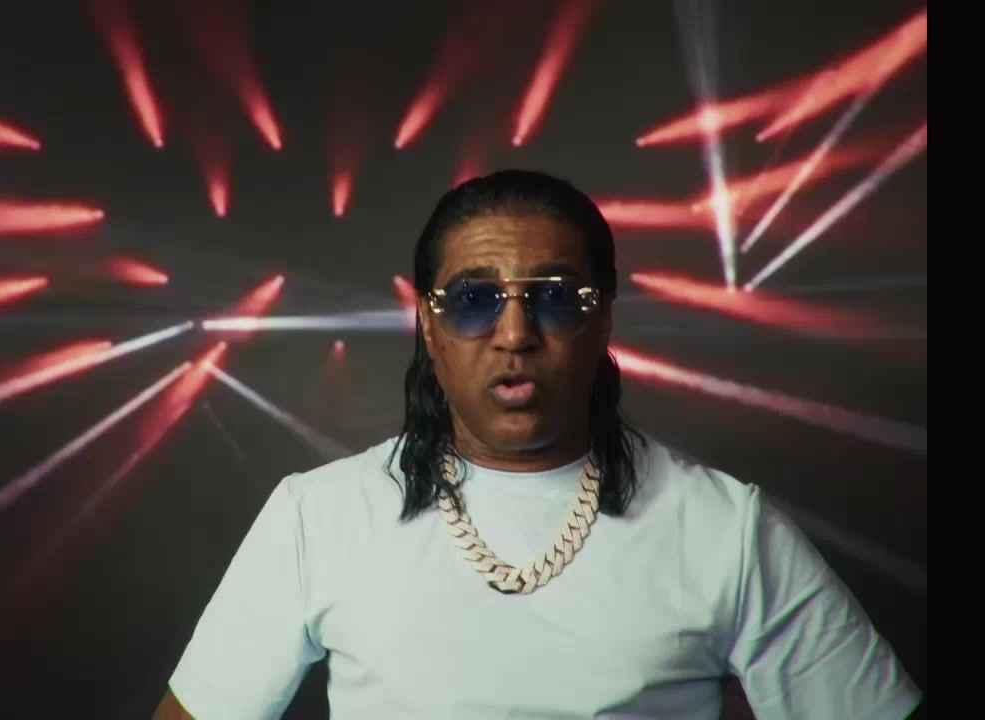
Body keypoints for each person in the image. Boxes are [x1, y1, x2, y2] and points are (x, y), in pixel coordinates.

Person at [155, 170, 924, 719]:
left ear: (604, 320)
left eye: (556, 299)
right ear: (428, 325)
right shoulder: (317, 517)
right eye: (474, 300)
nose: (515, 334)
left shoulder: (726, 529)